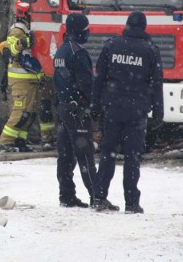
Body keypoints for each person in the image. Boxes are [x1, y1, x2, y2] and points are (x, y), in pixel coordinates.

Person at [90, 11, 164, 214]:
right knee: (132, 157)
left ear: (127, 25)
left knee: (108, 154)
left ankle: (99, 197)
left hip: (112, 110)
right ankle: (131, 202)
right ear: (144, 27)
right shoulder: (150, 50)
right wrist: (159, 112)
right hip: (136, 112)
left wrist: (95, 105)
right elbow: (156, 84)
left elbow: (99, 78)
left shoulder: (111, 45)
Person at [53, 13, 118, 209]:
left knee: (65, 155)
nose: (88, 33)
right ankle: (96, 197)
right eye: (86, 29)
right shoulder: (78, 53)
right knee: (85, 154)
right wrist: (95, 105)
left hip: (63, 109)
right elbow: (87, 84)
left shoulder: (61, 51)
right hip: (77, 111)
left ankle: (66, 196)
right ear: (80, 31)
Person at [0, 0, 45, 152]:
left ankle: (20, 141)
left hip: (31, 78)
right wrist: (22, 43)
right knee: (19, 112)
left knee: (28, 113)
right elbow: (9, 50)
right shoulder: (18, 30)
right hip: (21, 80)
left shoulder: (31, 29)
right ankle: (5, 142)